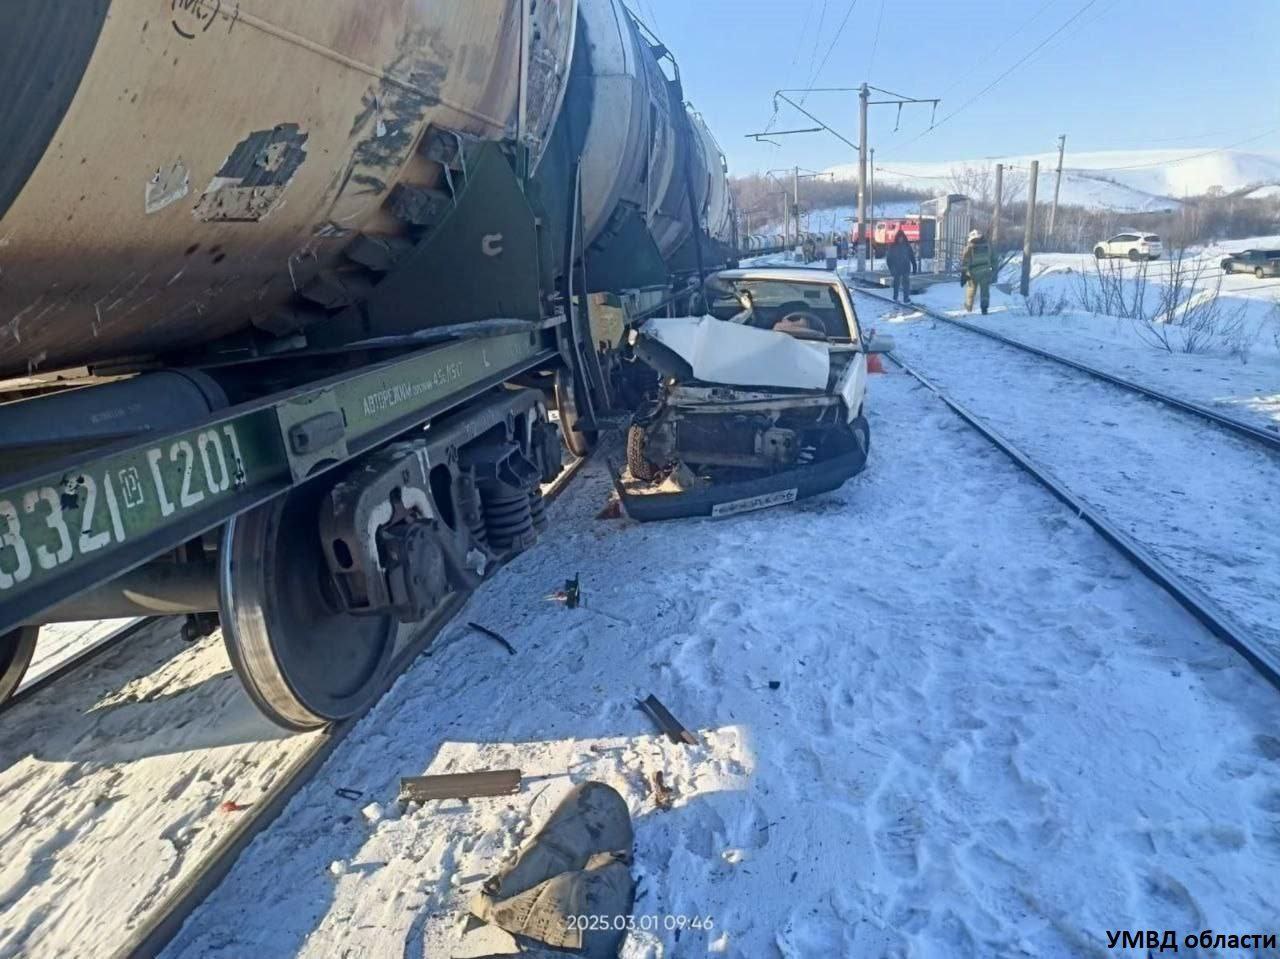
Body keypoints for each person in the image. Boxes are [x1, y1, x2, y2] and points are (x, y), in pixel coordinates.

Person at [960, 227, 994, 314]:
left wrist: (964, 273)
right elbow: (994, 258)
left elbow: (965, 261)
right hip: (986, 271)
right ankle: (984, 308)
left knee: (971, 290)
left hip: (973, 272)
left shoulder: (969, 247)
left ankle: (968, 307)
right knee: (985, 291)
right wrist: (994, 270)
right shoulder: (988, 246)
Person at [885, 229, 916, 303]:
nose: (900, 239)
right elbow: (889, 259)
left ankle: (906, 298)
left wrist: (914, 266)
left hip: (905, 267)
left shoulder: (907, 246)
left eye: (901, 237)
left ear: (904, 237)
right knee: (896, 283)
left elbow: (912, 257)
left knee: (906, 283)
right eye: (899, 237)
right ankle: (895, 297)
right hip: (896, 268)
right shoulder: (892, 246)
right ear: (897, 238)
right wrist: (891, 269)